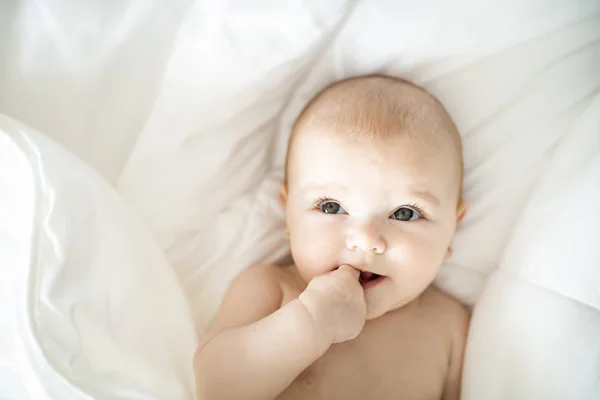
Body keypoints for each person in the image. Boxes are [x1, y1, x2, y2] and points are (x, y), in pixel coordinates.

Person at [194, 75, 470, 400]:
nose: (365, 240)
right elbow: (215, 387)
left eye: (405, 213)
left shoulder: (448, 327)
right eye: (331, 206)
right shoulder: (270, 290)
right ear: (289, 215)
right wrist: (311, 322)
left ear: (452, 226)